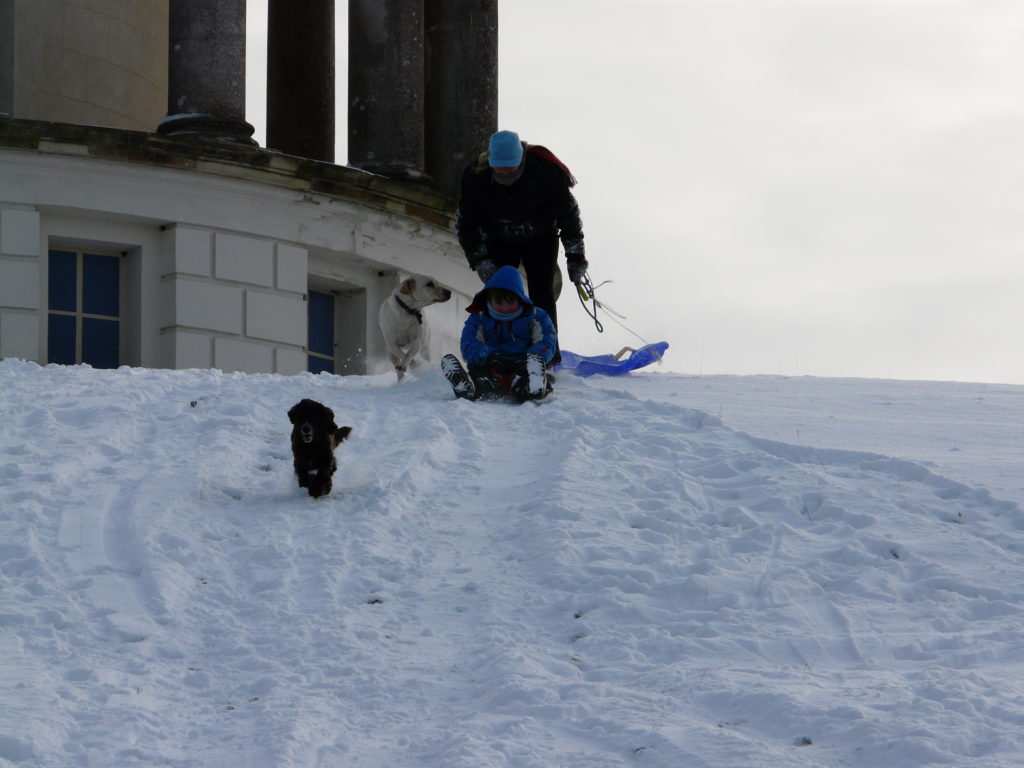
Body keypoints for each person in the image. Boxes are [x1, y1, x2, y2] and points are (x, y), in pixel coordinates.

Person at [455, 130, 587, 361]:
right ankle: (494, 354)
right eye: (499, 168)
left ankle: (547, 357)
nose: (504, 172)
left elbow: (569, 217)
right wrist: (480, 259)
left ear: (522, 160)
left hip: (540, 238)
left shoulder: (546, 173)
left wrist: (575, 257)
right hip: (497, 238)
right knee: (500, 294)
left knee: (542, 294)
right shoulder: (475, 177)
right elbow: (466, 224)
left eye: (510, 167)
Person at [441, 265, 557, 403]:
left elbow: (547, 341)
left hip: (522, 365)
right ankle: (469, 387)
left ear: (520, 298)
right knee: (484, 381)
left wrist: (530, 357)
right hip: (491, 365)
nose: (505, 308)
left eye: (511, 302)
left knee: (522, 383)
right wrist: (489, 355)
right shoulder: (479, 317)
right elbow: (468, 343)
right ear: (489, 299)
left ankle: (534, 385)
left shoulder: (534, 316)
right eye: (499, 302)